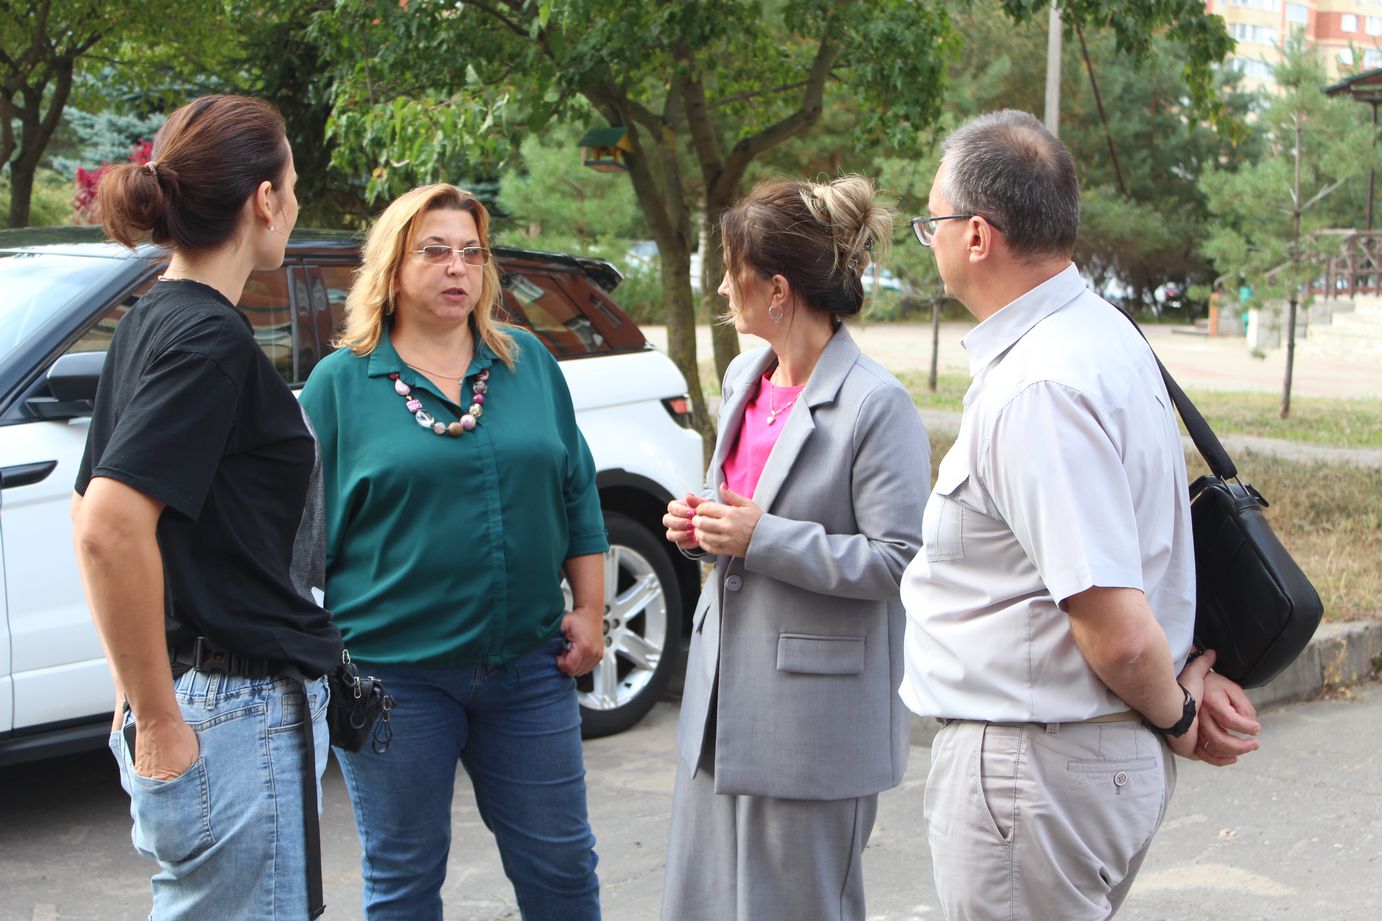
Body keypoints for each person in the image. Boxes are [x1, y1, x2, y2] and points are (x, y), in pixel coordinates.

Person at [898, 109, 1262, 921]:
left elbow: (1119, 629)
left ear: (979, 235)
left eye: (934, 223)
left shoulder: (1041, 385)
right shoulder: (1101, 335)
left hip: (1035, 768)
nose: (933, 239)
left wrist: (1183, 719)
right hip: (1066, 764)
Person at [298, 183, 607, 921]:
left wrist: (591, 609)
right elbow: (300, 540)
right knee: (403, 877)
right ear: (393, 264)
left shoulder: (527, 362)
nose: (456, 267)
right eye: (434, 250)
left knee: (563, 863)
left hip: (531, 665)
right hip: (392, 679)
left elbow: (577, 492)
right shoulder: (340, 384)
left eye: (470, 251)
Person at [71, 94, 343, 920]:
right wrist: (154, 716)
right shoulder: (206, 338)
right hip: (234, 709)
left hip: (217, 700)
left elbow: (90, 502)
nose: (294, 205)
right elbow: (108, 523)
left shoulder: (150, 318)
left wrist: (143, 690)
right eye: (292, 185)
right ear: (264, 199)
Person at [660, 176, 929, 921]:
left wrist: (761, 537)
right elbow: (740, 512)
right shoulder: (747, 376)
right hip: (722, 706)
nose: (719, 283)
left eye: (730, 268)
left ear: (776, 289)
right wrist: (701, 528)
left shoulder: (879, 404)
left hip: (814, 722)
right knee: (705, 904)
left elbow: (899, 558)